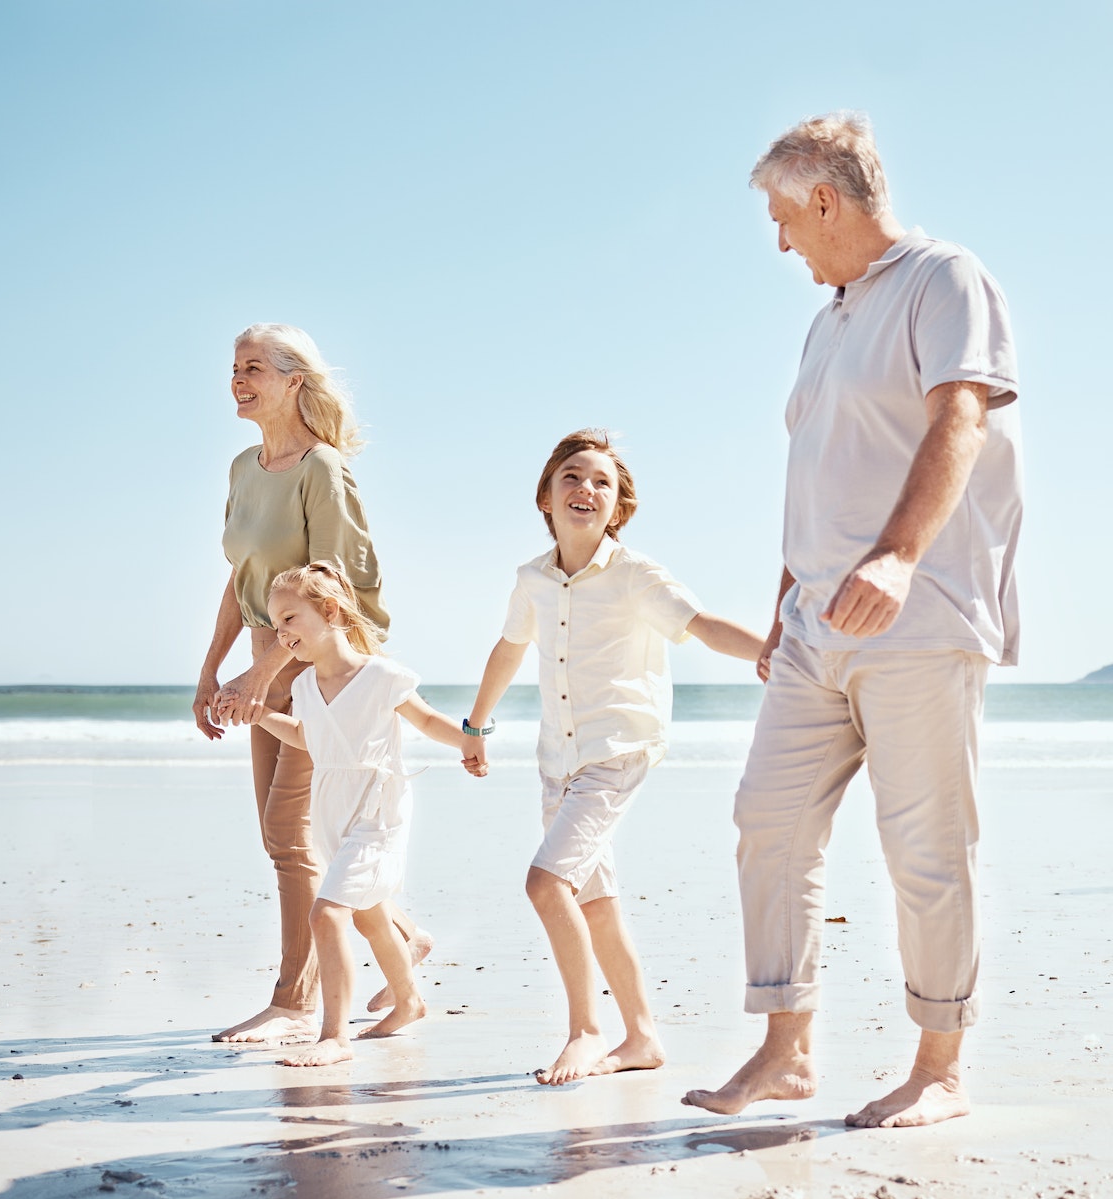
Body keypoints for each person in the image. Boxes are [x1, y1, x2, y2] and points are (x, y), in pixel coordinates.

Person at [683, 113, 1023, 1130]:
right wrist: (781, 603)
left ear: (824, 199)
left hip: (917, 613)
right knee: (768, 821)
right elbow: (816, 471)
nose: (781, 241)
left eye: (784, 218)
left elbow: (961, 417)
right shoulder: (826, 321)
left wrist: (898, 553)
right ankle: (786, 1051)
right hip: (812, 625)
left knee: (925, 846)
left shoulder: (942, 278)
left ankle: (939, 1069)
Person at [459, 431, 766, 1085]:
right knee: (594, 902)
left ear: (618, 507)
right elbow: (509, 648)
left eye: (602, 482)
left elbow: (702, 625)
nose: (586, 489)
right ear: (546, 497)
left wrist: (774, 652)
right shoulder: (532, 579)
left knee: (547, 884)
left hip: (617, 751)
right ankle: (643, 1037)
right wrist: (475, 726)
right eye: (572, 476)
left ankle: (586, 1031)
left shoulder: (635, 575)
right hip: (558, 758)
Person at [196, 323, 430, 1044]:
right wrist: (212, 671)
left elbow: (334, 590)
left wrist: (264, 673)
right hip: (267, 661)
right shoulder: (243, 468)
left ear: (294, 380)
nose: (239, 379)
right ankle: (403, 936)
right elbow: (242, 580)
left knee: (287, 833)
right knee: (296, 839)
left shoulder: (322, 470)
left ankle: (294, 1000)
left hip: (325, 672)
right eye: (235, 368)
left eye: (254, 368)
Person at [249, 563, 470, 1067]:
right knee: (371, 918)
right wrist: (262, 715)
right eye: (275, 625)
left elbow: (427, 720)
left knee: (326, 915)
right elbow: (309, 737)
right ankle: (409, 1002)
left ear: (330, 610)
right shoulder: (305, 685)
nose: (281, 633)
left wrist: (468, 743)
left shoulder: (380, 676)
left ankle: (334, 1036)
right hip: (332, 814)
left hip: (377, 813)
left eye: (290, 618)